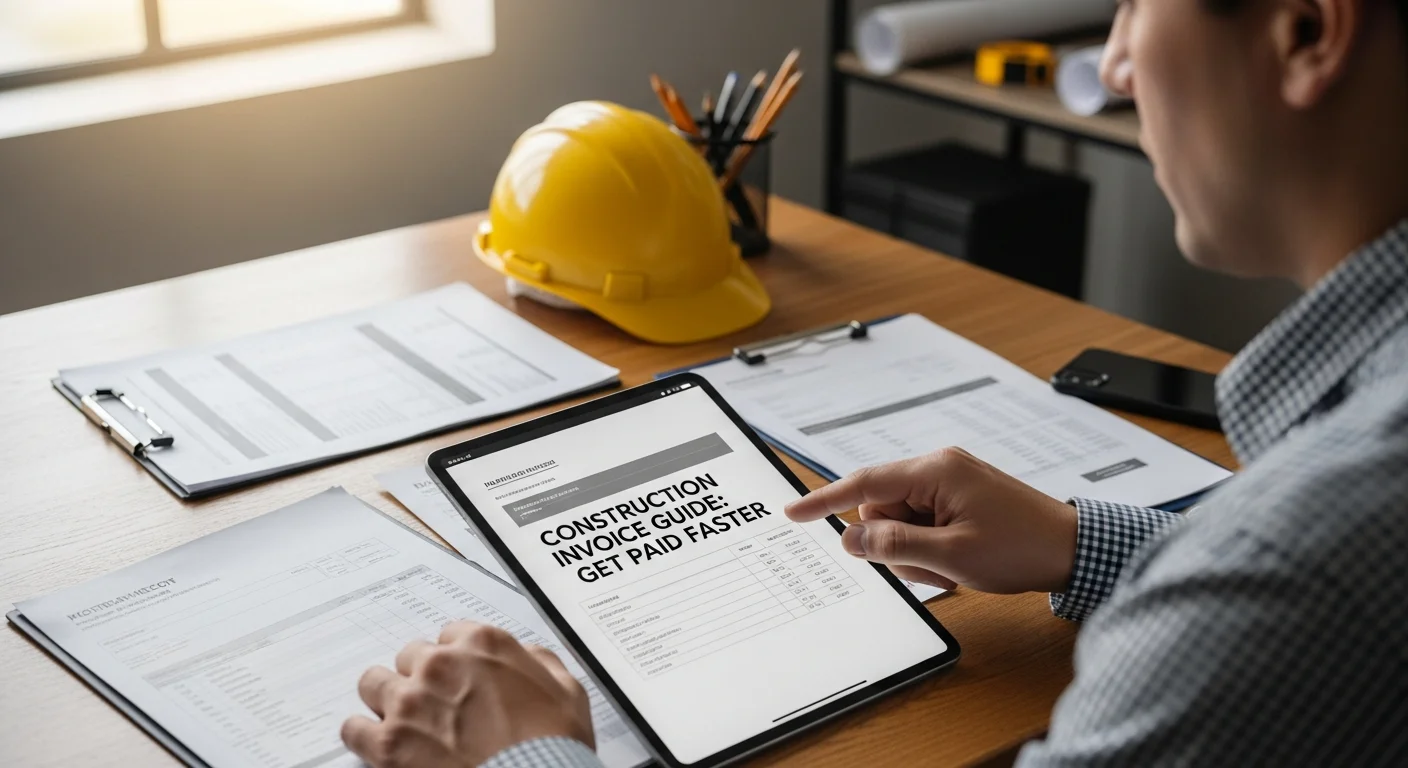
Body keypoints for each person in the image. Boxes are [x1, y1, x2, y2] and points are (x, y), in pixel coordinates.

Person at [340, 0, 1408, 764]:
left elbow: (1295, 592)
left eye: (1133, 3)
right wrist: (1086, 542)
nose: (1117, 65)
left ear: (1308, 30)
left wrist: (526, 757)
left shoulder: (1290, 570)